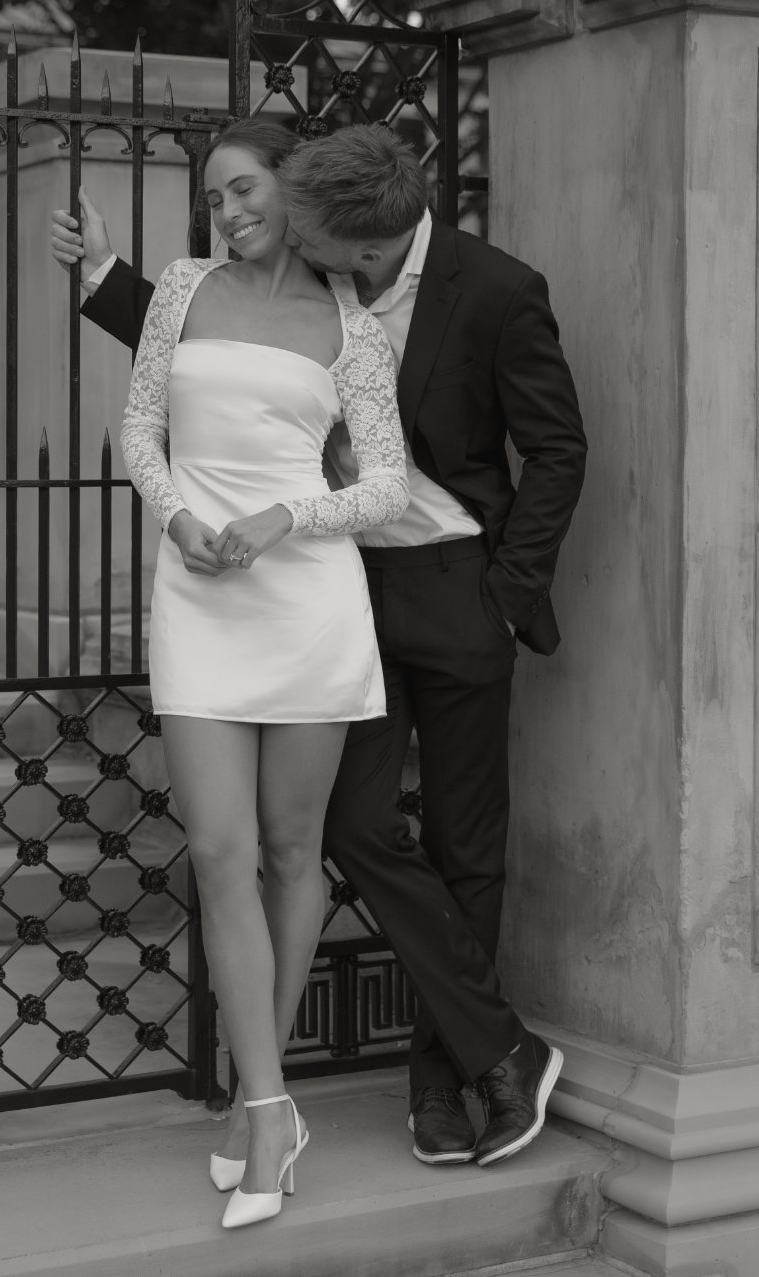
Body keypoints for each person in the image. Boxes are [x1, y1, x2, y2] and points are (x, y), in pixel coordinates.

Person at [52, 118, 587, 1172]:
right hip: (343, 591)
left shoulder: (495, 288)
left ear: (374, 235)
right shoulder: (311, 281)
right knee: (354, 825)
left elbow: (556, 447)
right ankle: (482, 1048)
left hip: (455, 587)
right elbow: (222, 355)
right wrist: (107, 272)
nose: (334, 262)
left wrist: (507, 595)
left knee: (468, 851)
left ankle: (448, 1079)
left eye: (350, 253)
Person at [115, 120, 410, 1229]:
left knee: (293, 851)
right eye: (211, 197)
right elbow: (141, 428)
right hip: (196, 592)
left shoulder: (353, 329)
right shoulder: (181, 290)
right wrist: (180, 516)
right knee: (218, 847)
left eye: (241, 190)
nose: (224, 212)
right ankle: (273, 1100)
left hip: (307, 600)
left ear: (291, 191)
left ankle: (260, 1100)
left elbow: (384, 484)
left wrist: (291, 512)